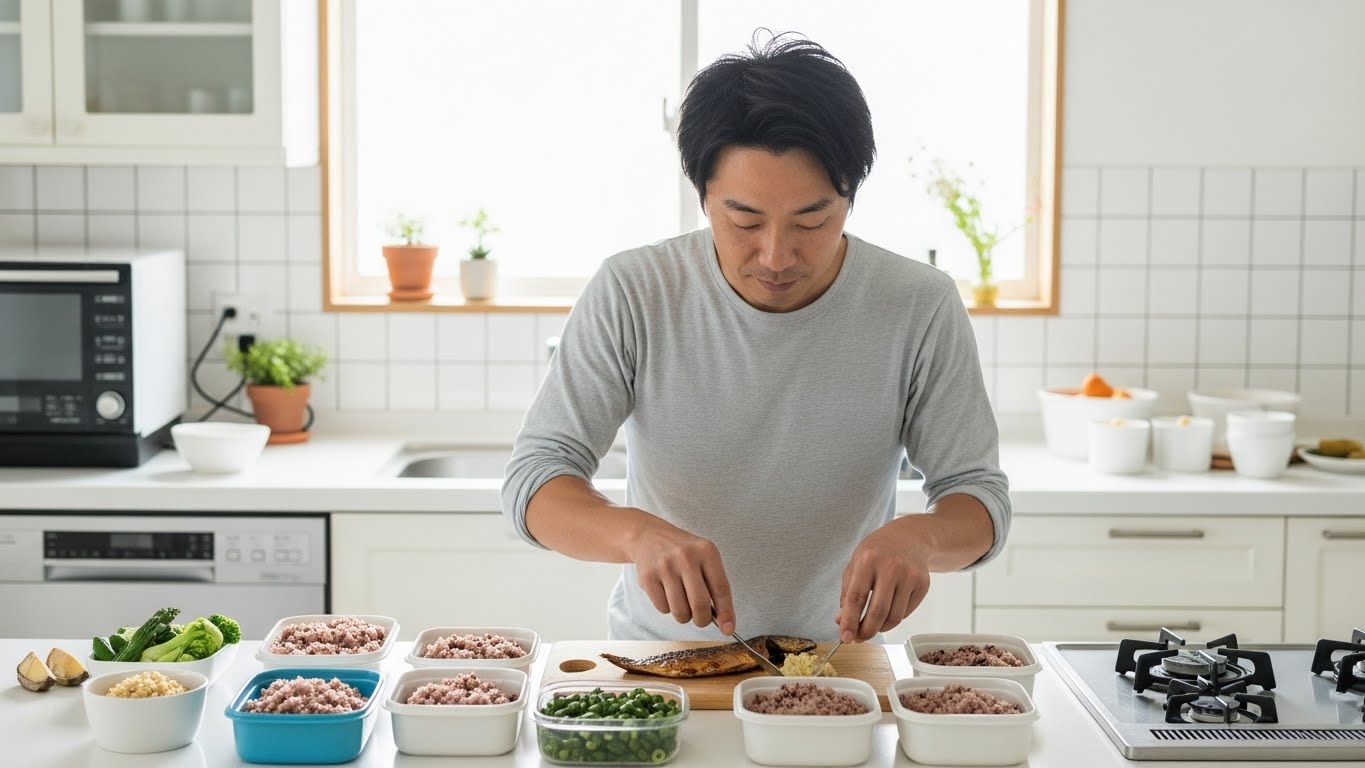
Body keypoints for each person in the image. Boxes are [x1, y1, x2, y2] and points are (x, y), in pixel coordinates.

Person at [502, 34, 1009, 644]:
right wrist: (635, 535)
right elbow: (536, 479)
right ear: (703, 197)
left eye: (812, 220)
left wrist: (921, 539)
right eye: (744, 220)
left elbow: (977, 497)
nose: (775, 255)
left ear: (850, 197)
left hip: (838, 668)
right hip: (661, 662)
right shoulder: (635, 290)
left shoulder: (918, 304)